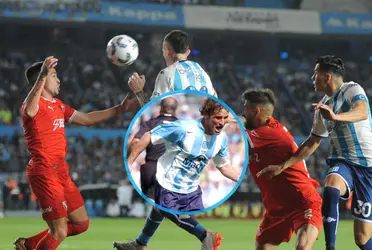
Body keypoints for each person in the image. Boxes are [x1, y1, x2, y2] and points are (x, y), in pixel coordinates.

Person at [14, 56, 139, 250]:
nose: (59, 80)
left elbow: (87, 118)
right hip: (44, 170)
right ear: (43, 78)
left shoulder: (58, 105)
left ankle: (29, 245)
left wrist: (120, 109)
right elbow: (30, 111)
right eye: (54, 75)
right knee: (59, 231)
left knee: (81, 223)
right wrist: (42, 74)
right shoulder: (32, 105)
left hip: (61, 170)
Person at [258, 55, 372, 250]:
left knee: (362, 239)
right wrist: (282, 166)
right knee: (331, 185)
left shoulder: (352, 89)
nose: (312, 78)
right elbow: (313, 142)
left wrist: (335, 116)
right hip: (342, 162)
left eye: (315, 73)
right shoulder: (322, 107)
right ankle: (330, 246)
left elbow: (361, 111)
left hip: (367, 167)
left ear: (326, 76)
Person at [114, 98, 240, 250]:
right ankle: (205, 236)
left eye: (225, 118)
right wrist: (129, 162)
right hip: (168, 183)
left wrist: (239, 178)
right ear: (206, 115)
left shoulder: (222, 139)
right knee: (168, 210)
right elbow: (148, 135)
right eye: (218, 117)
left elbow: (223, 165)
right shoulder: (184, 128)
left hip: (192, 189)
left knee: (159, 209)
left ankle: (140, 244)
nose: (222, 122)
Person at [242, 88, 322, 250]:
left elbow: (232, 133)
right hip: (276, 208)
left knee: (303, 247)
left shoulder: (269, 133)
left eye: (245, 108)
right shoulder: (261, 131)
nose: (242, 112)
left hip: (303, 201)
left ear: (256, 111)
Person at [127, 29, 217, 106]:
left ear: (167, 51)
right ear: (188, 52)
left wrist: (138, 91)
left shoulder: (167, 73)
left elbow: (153, 110)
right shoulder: (202, 71)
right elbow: (215, 99)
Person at [129, 96, 179, 199]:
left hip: (151, 167)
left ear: (161, 108)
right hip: (171, 168)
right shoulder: (182, 125)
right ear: (175, 110)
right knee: (171, 202)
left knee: (151, 201)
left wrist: (130, 160)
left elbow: (135, 142)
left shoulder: (150, 123)